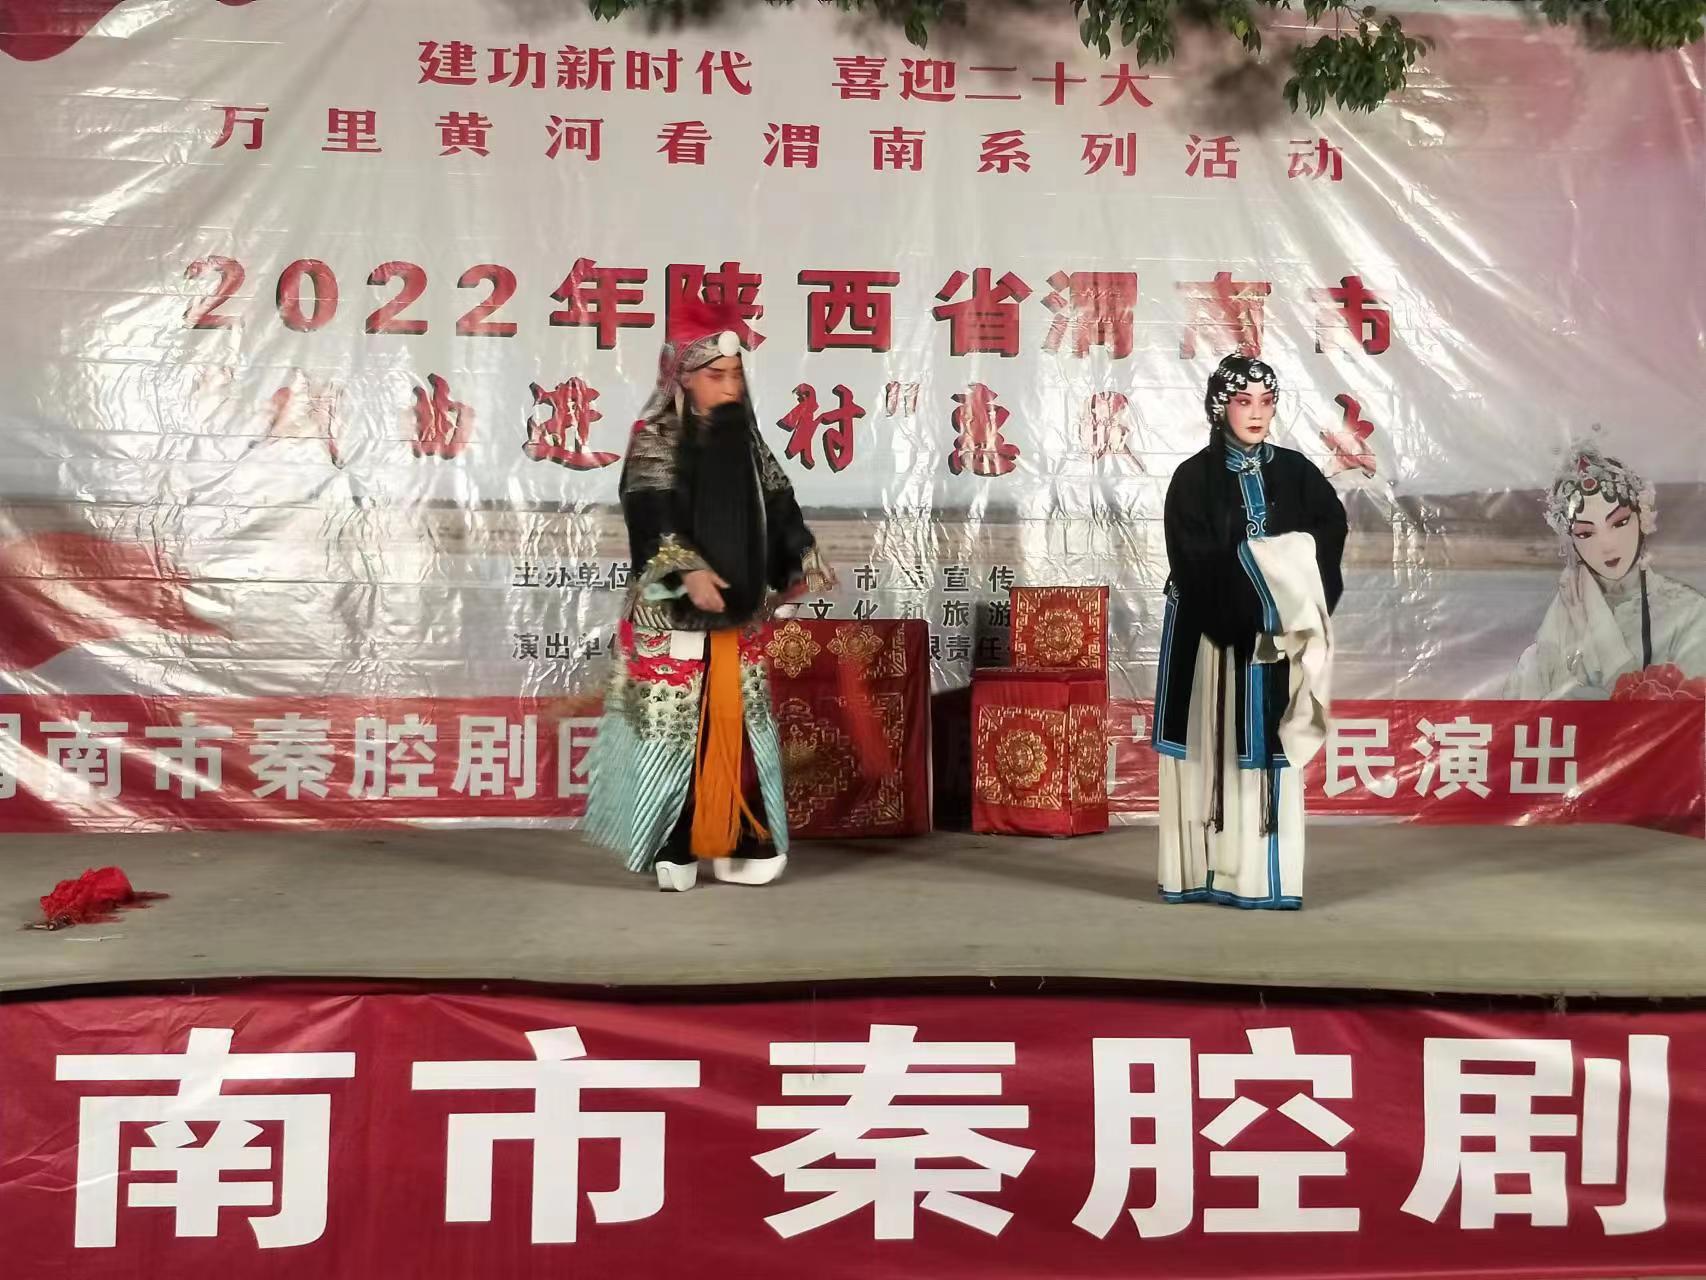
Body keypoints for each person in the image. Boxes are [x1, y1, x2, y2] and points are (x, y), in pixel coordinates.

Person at [583, 299, 834, 891]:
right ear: (683, 378)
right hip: (669, 614)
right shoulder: (655, 439)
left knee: (743, 729)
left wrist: (801, 561)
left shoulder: (748, 443)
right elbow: (652, 516)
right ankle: (673, 844)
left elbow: (782, 508)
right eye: (715, 375)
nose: (729, 387)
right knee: (674, 734)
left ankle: (744, 835)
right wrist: (688, 570)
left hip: (738, 615)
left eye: (736, 374)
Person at [1152, 355, 1348, 909]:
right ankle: (1198, 874)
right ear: (1221, 408)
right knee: (1210, 748)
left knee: (1268, 746)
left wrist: (1284, 589)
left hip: (1277, 637)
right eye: (1244, 402)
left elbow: (1330, 530)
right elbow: (1192, 560)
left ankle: (1263, 879)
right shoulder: (1192, 479)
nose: (1257, 413)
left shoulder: (1297, 472)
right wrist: (1261, 579)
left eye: (1266, 402)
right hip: (1211, 637)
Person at [1505, 442, 1706, 700]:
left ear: (1642, 518)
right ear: (1571, 541)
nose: (1607, 545)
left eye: (1620, 522)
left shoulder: (1690, 613)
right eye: (1585, 533)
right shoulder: (1566, 610)